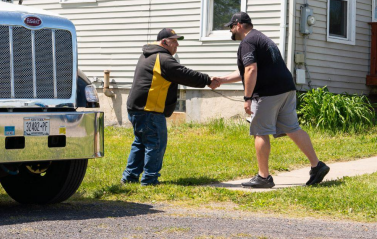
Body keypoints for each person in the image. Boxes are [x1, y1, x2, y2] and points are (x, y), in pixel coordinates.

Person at [212, 12, 330, 189]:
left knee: (260, 131)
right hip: (286, 89)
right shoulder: (262, 38)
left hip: (268, 93)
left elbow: (251, 69)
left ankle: (263, 177)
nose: (231, 31)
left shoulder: (248, 42)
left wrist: (248, 97)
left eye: (231, 27)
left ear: (239, 25)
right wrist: (222, 80)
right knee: (293, 128)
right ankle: (317, 165)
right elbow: (248, 71)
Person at [122, 28, 214, 186]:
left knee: (140, 143)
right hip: (149, 110)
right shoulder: (162, 58)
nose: (177, 45)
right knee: (155, 143)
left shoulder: (147, 55)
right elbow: (183, 74)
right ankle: (150, 180)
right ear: (164, 42)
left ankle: (130, 178)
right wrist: (208, 80)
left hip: (136, 109)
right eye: (174, 41)